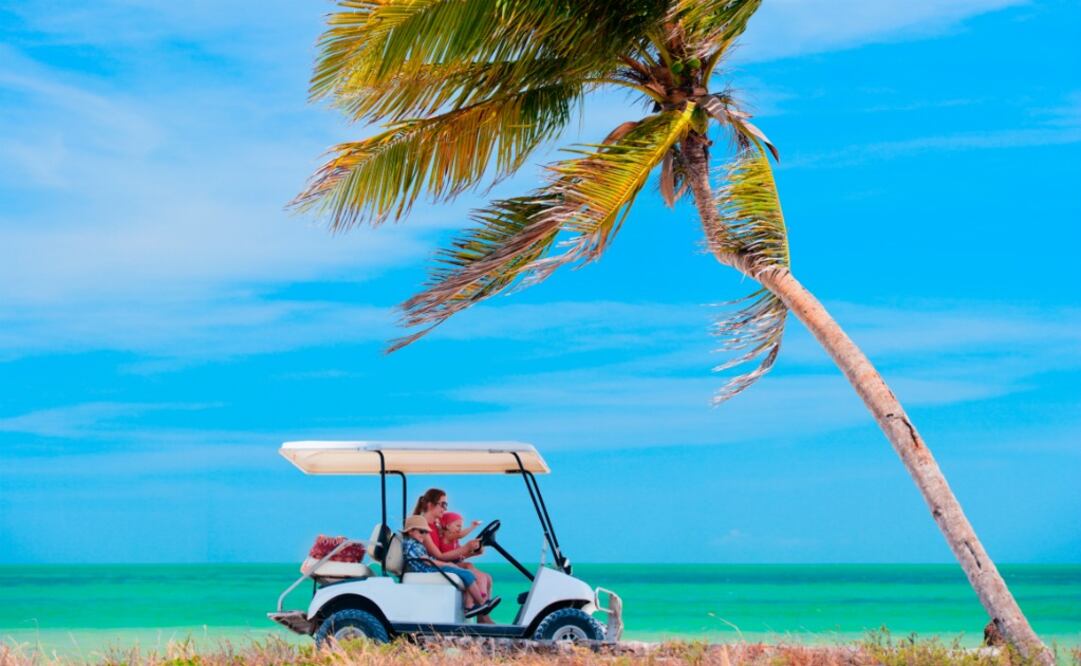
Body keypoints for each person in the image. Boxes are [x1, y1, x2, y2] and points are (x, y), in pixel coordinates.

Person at [413, 488, 497, 623]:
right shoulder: (423, 528)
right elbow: (439, 556)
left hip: (443, 563)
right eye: (443, 504)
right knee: (478, 576)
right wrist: (465, 548)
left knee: (487, 578)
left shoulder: (436, 526)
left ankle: (482, 619)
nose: (445, 509)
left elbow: (449, 553)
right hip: (434, 565)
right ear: (430, 505)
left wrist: (471, 552)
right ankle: (480, 612)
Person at [400, 515, 497, 618]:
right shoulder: (411, 544)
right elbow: (427, 561)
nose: (424, 535)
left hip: (430, 568)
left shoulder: (415, 543)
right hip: (429, 570)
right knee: (467, 573)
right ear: (410, 531)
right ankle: (481, 603)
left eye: (426, 532)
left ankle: (472, 605)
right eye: (421, 532)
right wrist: (447, 564)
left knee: (467, 573)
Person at [439, 511, 493, 603]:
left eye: (461, 527)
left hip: (455, 562)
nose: (460, 529)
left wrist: (475, 551)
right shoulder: (447, 536)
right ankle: (481, 597)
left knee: (487, 577)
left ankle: (483, 608)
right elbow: (460, 535)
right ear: (448, 526)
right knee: (469, 566)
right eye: (458, 526)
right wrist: (473, 527)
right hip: (449, 564)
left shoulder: (454, 541)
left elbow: (461, 553)